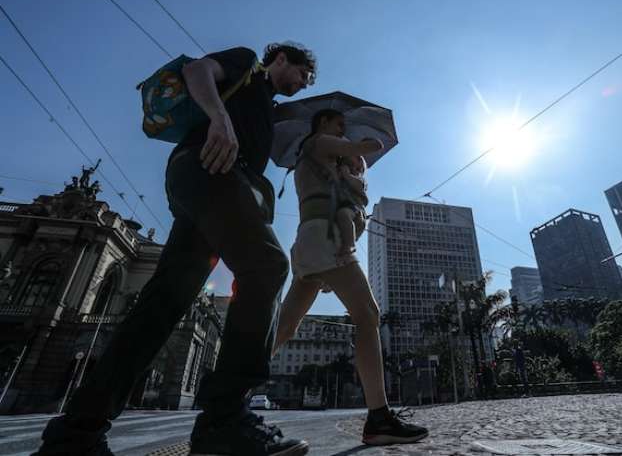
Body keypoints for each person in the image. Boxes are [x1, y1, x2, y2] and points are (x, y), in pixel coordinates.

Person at [33, 42, 316, 456]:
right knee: (268, 266)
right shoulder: (248, 64)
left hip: (204, 184)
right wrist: (219, 118)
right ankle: (225, 419)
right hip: (210, 173)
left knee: (163, 302)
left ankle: (77, 432)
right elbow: (197, 70)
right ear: (282, 59)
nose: (304, 83)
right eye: (304, 74)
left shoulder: (262, 101)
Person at [273, 109, 428, 446]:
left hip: (310, 240)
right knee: (368, 315)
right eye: (338, 124)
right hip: (327, 239)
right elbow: (368, 146)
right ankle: (378, 418)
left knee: (286, 327)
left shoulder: (313, 156)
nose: (342, 129)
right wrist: (362, 146)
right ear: (321, 123)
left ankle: (227, 395)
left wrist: (348, 169)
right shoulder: (319, 142)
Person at [335, 154, 368, 262]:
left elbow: (358, 185)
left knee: (343, 214)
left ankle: (350, 245)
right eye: (348, 165)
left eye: (358, 168)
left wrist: (347, 175)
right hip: (343, 206)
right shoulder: (341, 178)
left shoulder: (360, 180)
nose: (354, 169)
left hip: (355, 210)